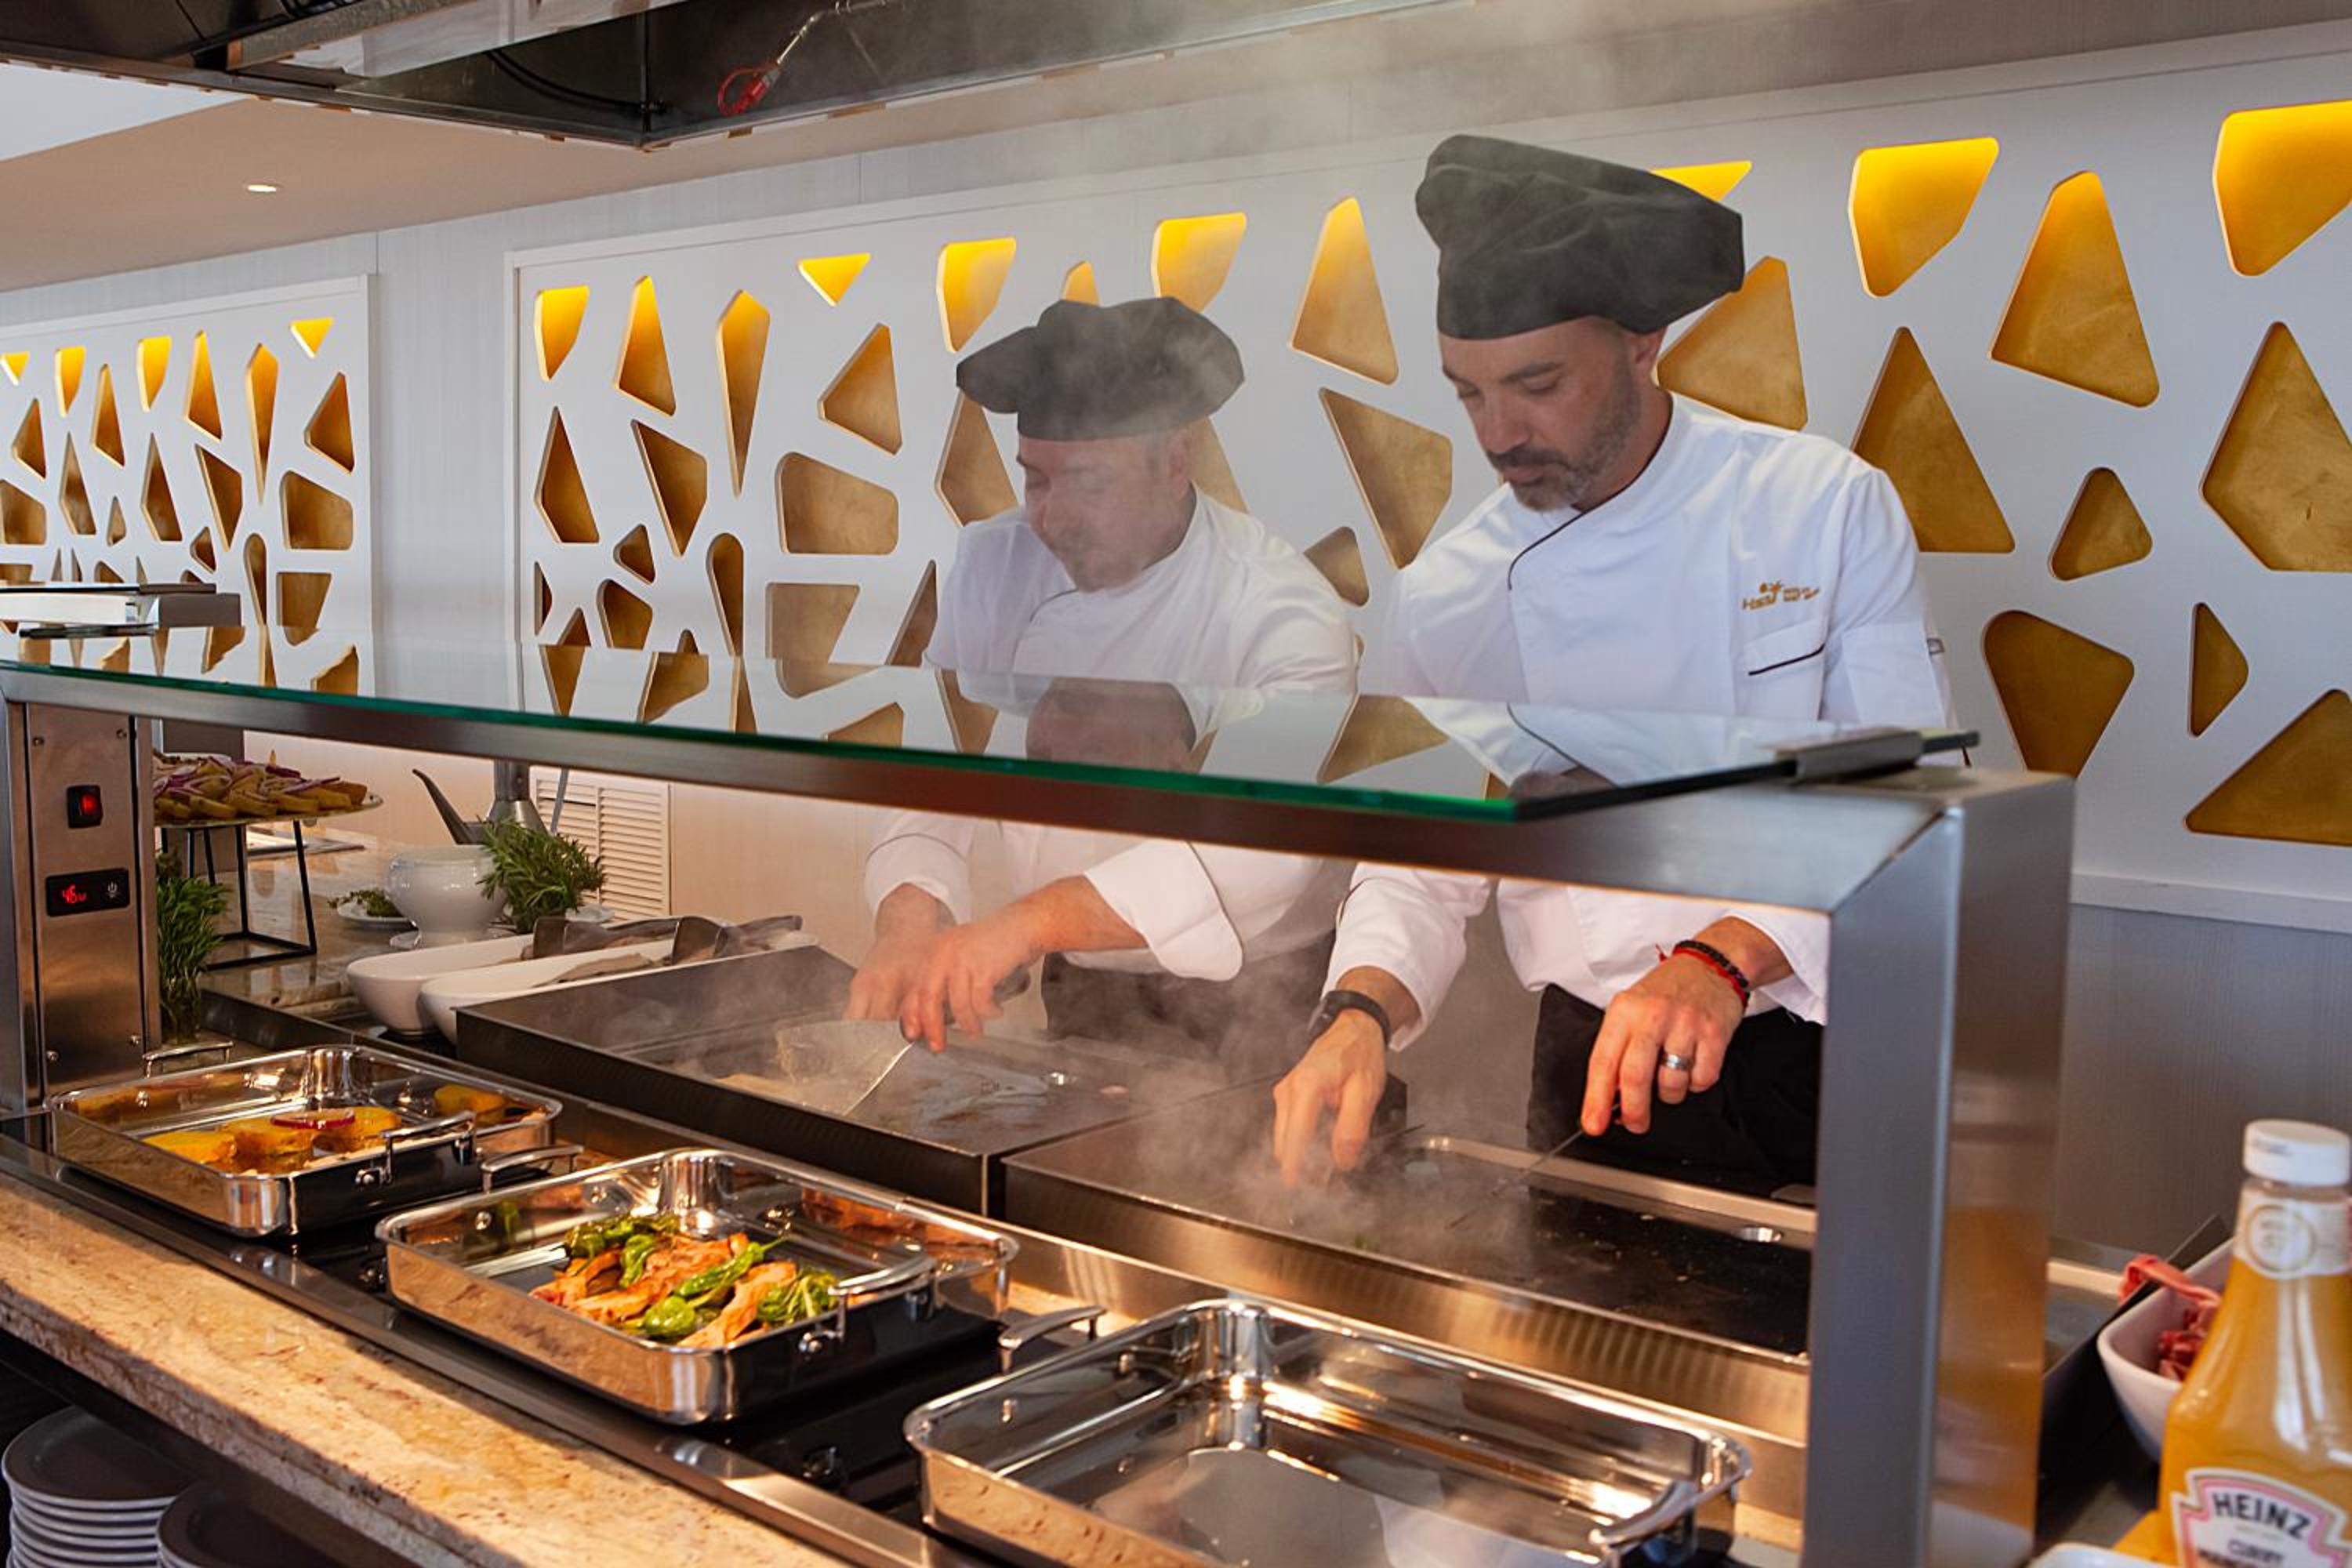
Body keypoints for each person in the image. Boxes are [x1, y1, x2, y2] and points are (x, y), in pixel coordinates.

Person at [1271, 135, 1956, 1190]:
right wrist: (1358, 1009)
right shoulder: (1450, 591)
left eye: (1537, 383)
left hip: (1822, 1036)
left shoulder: (1821, 507)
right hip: (1598, 1062)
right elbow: (1417, 853)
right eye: (1469, 393)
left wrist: (1723, 954)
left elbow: (1906, 800)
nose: (1501, 433)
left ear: (1644, 341)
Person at [851, 297, 1355, 1070]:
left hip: (1259, 992)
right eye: (1036, 480)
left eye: (1088, 482)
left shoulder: (1279, 609)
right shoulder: (995, 565)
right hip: (1077, 969)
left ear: (1175, 462)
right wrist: (909, 917)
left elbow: (1262, 852)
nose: (1052, 519)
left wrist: (1026, 924)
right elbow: (936, 765)